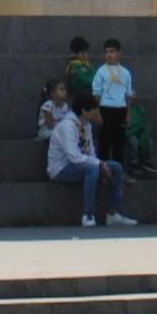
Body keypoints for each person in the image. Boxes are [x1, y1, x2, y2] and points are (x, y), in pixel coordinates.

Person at [47, 76, 131, 227]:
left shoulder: (86, 126)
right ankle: (89, 215)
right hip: (61, 169)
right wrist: (99, 164)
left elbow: (90, 151)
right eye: (94, 111)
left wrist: (101, 164)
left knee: (116, 167)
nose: (97, 114)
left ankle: (114, 213)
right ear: (84, 111)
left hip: (82, 165)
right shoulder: (67, 126)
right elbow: (73, 156)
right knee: (92, 169)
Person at [90, 40, 136, 170]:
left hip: (120, 110)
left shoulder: (126, 72)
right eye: (106, 52)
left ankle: (119, 171)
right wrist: (97, 113)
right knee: (104, 141)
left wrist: (128, 113)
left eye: (112, 51)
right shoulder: (101, 71)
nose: (109, 55)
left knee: (119, 143)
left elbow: (129, 95)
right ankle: (103, 170)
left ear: (119, 53)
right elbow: (96, 94)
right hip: (105, 109)